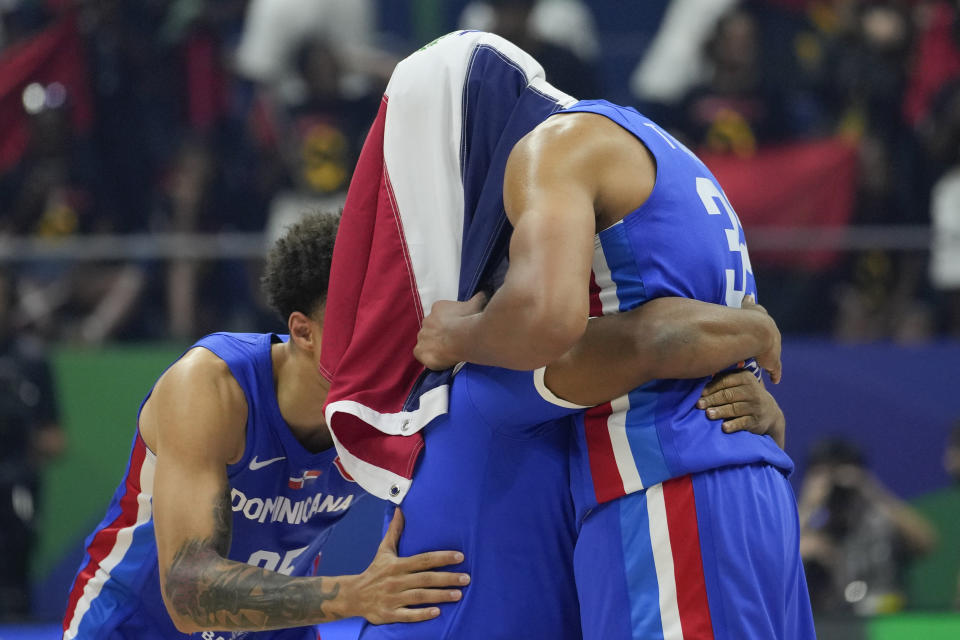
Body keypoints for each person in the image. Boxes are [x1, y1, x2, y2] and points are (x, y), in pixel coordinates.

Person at [414, 57, 814, 638]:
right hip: (752, 487)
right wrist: (757, 336)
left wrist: (458, 334)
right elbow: (660, 326)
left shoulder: (554, 146)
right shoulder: (671, 154)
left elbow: (557, 322)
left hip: (665, 493)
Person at [62, 213, 470, 640]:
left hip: (274, 629)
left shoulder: (393, 404)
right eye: (358, 322)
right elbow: (189, 595)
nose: (377, 338)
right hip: (131, 628)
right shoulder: (210, 386)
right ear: (303, 331)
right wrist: (357, 595)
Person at [799, 438, 937, 615]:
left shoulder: (879, 520)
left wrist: (870, 489)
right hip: (827, 625)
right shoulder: (807, 527)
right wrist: (809, 504)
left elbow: (925, 543)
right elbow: (774, 564)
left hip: (883, 621)